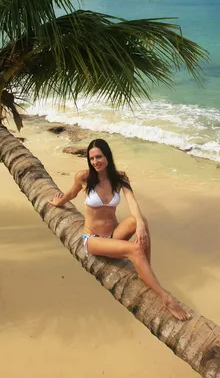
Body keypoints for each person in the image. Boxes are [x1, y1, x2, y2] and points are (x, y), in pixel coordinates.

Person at [48, 138, 191, 321]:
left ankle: (145, 270)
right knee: (134, 249)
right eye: (91, 159)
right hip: (93, 239)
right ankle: (165, 298)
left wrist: (139, 223)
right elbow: (72, 193)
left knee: (141, 222)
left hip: (114, 234)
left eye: (99, 157)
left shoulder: (120, 177)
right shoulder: (84, 177)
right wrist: (58, 202)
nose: (95, 162)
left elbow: (132, 201)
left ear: (107, 156)